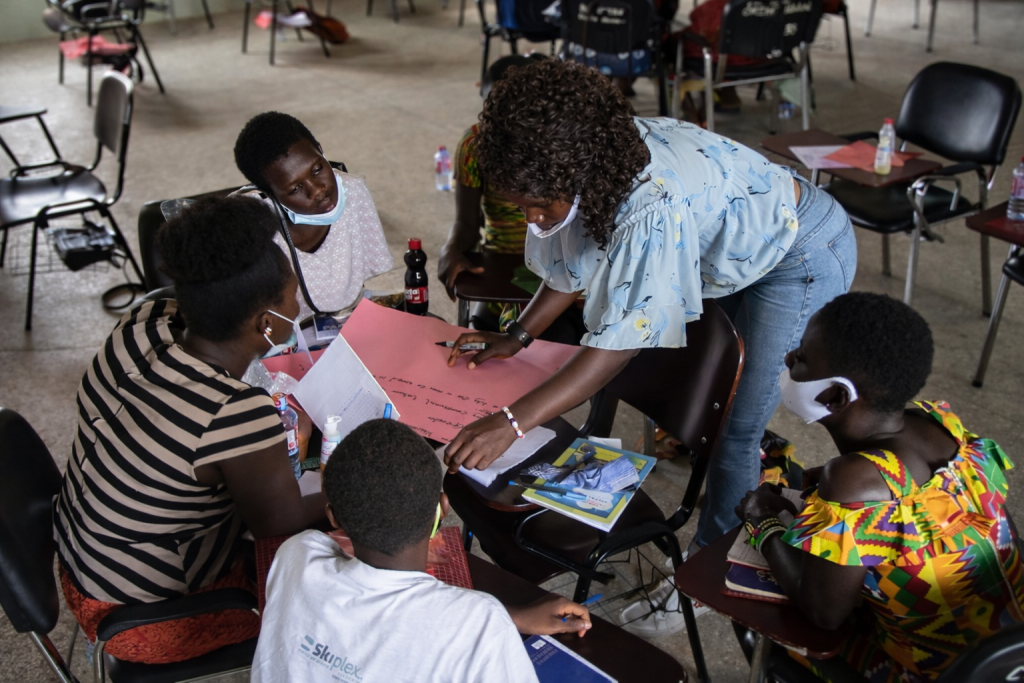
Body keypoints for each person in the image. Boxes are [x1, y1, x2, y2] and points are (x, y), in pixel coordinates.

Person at [442, 60, 855, 556]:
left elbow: (618, 345)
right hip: (733, 249)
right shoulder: (587, 154)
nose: (531, 218)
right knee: (719, 399)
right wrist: (517, 337)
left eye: (540, 205)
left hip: (799, 252)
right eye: (519, 206)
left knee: (735, 429)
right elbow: (571, 262)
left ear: (574, 175)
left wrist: (511, 423)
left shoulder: (648, 202)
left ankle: (712, 562)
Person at [53, 197, 328, 664]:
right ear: (266, 324)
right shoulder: (234, 412)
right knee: (334, 571)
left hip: (85, 562)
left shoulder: (141, 324)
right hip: (147, 616)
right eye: (291, 296)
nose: (297, 304)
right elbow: (280, 526)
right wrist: (346, 481)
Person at [736, 292, 1024, 682]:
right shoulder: (940, 425)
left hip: (941, 673)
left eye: (801, 357)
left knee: (753, 624)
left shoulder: (852, 481)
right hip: (1010, 654)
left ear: (836, 395)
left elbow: (824, 613)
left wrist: (762, 522)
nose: (789, 359)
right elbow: (918, 505)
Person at [252, 418, 592, 683]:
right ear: (442, 509)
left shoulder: (295, 556)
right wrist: (502, 621)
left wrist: (507, 619)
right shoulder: (481, 625)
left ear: (333, 518)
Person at [437, 54, 585, 343]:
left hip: (566, 270)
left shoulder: (564, 147)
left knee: (563, 337)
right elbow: (466, 222)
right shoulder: (476, 145)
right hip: (504, 269)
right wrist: (450, 248)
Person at [234, 111, 393, 322]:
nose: (317, 190)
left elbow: (363, 282)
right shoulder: (253, 227)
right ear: (268, 193)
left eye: (317, 169)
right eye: (295, 189)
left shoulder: (353, 191)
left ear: (320, 149)